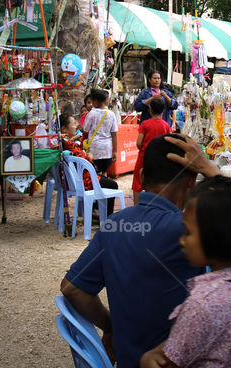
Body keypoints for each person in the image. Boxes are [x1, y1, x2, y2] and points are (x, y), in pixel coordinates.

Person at [61, 134, 219, 368]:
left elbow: (71, 288)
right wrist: (211, 170)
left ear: (142, 176)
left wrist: (110, 326)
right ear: (190, 182)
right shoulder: (189, 230)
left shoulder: (114, 224)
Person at [139, 176, 231, 368]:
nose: (182, 241)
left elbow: (169, 362)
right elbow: (204, 335)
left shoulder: (202, 303)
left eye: (188, 233)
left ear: (215, 238)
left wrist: (146, 360)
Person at [60, 113, 120, 216]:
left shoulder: (64, 144)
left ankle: (97, 211)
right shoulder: (69, 145)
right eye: (73, 123)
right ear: (64, 129)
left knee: (104, 179)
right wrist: (89, 157)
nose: (76, 125)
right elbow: (85, 162)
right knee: (113, 185)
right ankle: (107, 217)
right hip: (85, 181)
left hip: (79, 179)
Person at [133, 97, 173, 203]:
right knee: (157, 183)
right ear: (163, 111)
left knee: (137, 183)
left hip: (144, 157)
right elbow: (169, 143)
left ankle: (137, 209)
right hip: (159, 158)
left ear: (150, 109)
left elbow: (139, 143)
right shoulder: (166, 125)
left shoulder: (145, 124)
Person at [83, 88, 119, 177]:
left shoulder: (91, 114)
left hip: (95, 149)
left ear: (95, 101)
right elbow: (114, 134)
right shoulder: (111, 114)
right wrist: (116, 151)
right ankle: (104, 189)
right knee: (104, 172)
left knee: (96, 174)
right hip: (107, 149)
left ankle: (98, 189)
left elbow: (85, 129)